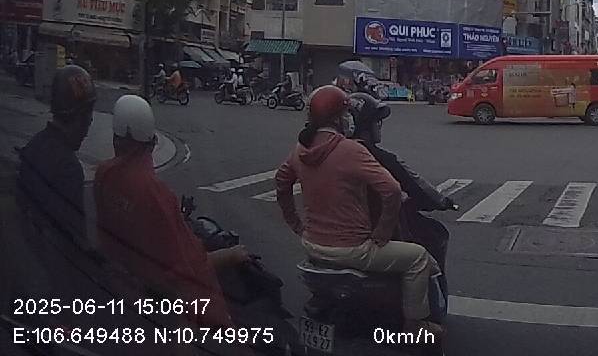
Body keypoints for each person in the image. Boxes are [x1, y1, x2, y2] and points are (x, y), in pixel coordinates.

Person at [274, 85, 442, 338]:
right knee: (419, 258)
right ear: (339, 118)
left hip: (313, 246)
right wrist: (382, 232)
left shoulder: (301, 150)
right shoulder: (350, 150)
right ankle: (415, 325)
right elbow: (392, 190)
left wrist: (296, 224)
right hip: (353, 250)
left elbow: (281, 183)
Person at [94, 95, 245, 327]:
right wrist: (232, 255)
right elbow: (186, 266)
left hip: (119, 284)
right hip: (158, 302)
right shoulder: (153, 192)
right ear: (152, 142)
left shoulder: (104, 174)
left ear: (117, 138)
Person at [348, 93, 455, 323]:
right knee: (428, 246)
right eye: (377, 122)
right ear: (364, 126)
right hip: (371, 237)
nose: (380, 127)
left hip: (326, 239)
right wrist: (442, 202)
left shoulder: (327, 155)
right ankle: (425, 320)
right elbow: (414, 186)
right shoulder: (381, 159)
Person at [16, 65, 97, 246]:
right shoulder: (68, 168)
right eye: (88, 118)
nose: (88, 127)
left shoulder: (34, 145)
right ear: (82, 118)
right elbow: (73, 237)